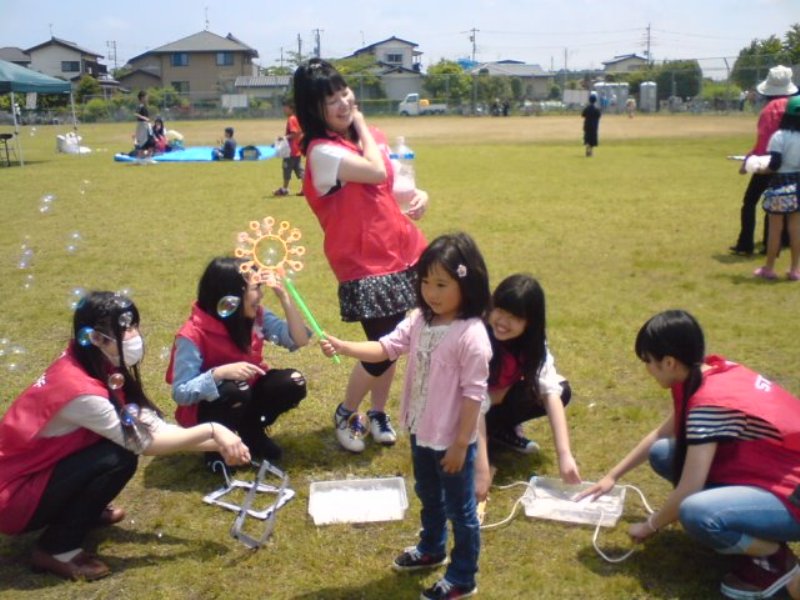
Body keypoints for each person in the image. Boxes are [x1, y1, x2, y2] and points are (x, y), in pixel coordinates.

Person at [0, 291, 250, 581]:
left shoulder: (90, 360)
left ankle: (82, 511)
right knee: (118, 458)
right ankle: (57, 548)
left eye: (133, 325)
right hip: (13, 498)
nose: (135, 335)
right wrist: (212, 430)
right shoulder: (79, 392)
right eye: (124, 329)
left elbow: (147, 424)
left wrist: (218, 443)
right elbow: (145, 442)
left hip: (30, 474)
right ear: (95, 338)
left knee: (114, 448)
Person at [578, 310, 800, 600]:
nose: (647, 369)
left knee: (697, 512)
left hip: (792, 494)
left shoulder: (708, 404)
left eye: (648, 361)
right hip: (773, 470)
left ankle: (774, 558)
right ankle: (745, 527)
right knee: (664, 453)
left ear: (669, 362)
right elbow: (661, 435)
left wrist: (650, 525)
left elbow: (689, 489)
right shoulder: (712, 372)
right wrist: (612, 476)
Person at [320, 233, 491, 600]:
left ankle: (463, 576)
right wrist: (344, 346)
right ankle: (432, 547)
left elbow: (474, 396)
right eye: (425, 282)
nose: (431, 293)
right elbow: (386, 348)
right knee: (428, 493)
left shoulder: (471, 335)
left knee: (461, 509)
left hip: (453, 439)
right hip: (420, 428)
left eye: (442, 284)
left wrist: (461, 445)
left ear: (467, 283)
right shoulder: (419, 321)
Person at [293, 58, 429, 453]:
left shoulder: (362, 139)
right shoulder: (322, 151)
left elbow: (393, 186)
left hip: (401, 253)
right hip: (365, 265)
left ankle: (378, 411)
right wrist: (364, 124)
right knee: (382, 349)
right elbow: (376, 171)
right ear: (313, 110)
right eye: (330, 100)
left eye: (344, 92)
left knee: (393, 344)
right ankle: (346, 412)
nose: (343, 103)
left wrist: (420, 196)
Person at [166, 257, 310, 468]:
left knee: (293, 382)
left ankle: (251, 431)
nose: (261, 295)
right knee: (235, 389)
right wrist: (220, 373)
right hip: (211, 407)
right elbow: (181, 392)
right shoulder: (192, 335)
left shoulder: (256, 316)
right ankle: (216, 448)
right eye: (255, 288)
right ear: (232, 294)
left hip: (247, 393)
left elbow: (299, 339)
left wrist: (284, 298)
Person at [474, 275, 580, 503]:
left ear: (529, 322)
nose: (503, 322)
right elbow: (473, 403)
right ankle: (483, 443)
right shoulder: (476, 338)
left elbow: (550, 390)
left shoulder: (532, 344)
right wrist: (481, 470)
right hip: (463, 411)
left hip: (489, 403)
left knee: (561, 390)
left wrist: (565, 455)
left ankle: (499, 432)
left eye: (515, 317)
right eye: (500, 310)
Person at [729, 65, 797, 256]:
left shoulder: (770, 110)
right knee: (781, 201)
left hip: (769, 160)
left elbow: (763, 142)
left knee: (750, 201)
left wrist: (749, 161)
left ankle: (745, 243)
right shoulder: (794, 106)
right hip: (791, 162)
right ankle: (775, 243)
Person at [751, 95, 800, 281]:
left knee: (775, 228)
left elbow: (775, 164)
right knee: (795, 229)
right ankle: (794, 269)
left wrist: (760, 169)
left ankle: (769, 268)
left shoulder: (779, 137)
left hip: (780, 183)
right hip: (798, 184)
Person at [273, 99, 305, 196]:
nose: (284, 109)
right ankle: (305, 189)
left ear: (291, 108)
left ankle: (284, 189)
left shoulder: (291, 119)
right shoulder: (297, 118)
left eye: (285, 107)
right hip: (297, 150)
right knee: (299, 170)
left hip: (290, 151)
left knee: (286, 169)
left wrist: (283, 138)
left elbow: (294, 133)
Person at [133, 90, 154, 158]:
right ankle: (140, 158)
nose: (147, 98)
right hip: (142, 126)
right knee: (144, 143)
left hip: (146, 125)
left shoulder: (144, 106)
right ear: (142, 98)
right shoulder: (140, 106)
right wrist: (145, 118)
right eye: (146, 97)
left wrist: (149, 123)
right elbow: (136, 114)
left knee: (151, 142)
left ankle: (147, 158)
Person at [582, 93, 601, 157]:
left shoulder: (587, 108)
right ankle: (591, 152)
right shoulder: (597, 109)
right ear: (595, 101)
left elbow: (583, 115)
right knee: (592, 139)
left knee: (587, 138)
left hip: (587, 125)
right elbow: (599, 116)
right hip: (594, 126)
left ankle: (587, 151)